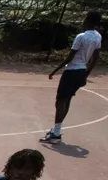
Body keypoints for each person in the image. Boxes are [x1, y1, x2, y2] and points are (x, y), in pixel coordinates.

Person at [44, 11, 102, 144]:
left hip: (71, 71)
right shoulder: (98, 37)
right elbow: (95, 59)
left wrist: (55, 70)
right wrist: (86, 74)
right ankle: (56, 131)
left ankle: (56, 134)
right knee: (67, 100)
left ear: (87, 20)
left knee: (60, 101)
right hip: (81, 71)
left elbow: (70, 57)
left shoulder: (81, 36)